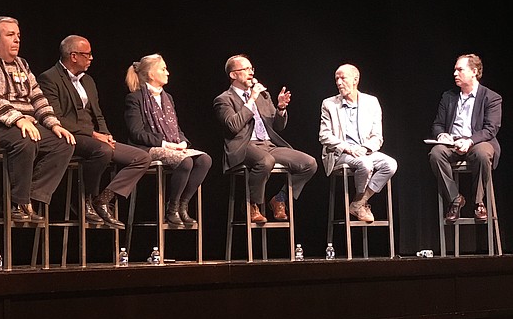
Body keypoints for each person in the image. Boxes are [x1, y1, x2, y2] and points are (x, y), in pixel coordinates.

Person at [0, 16, 75, 222]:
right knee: (25, 141)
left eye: (18, 36)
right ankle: (14, 202)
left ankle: (30, 196)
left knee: (63, 143)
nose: (17, 40)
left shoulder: (22, 64)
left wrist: (53, 123)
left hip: (24, 122)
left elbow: (38, 97)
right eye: (10, 35)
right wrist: (18, 119)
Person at [37, 35, 151, 229]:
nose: (91, 59)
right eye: (87, 55)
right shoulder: (49, 78)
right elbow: (55, 118)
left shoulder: (88, 81)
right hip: (68, 136)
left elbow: (98, 115)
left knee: (141, 158)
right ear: (73, 56)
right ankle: (85, 200)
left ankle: (103, 199)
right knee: (102, 151)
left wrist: (107, 135)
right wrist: (93, 134)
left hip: (94, 137)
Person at [213, 54, 317, 222]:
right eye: (245, 69)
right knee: (265, 161)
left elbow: (278, 126)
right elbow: (233, 126)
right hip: (244, 146)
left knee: (309, 163)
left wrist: (281, 108)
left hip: (269, 145)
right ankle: (251, 204)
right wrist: (251, 99)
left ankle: (279, 199)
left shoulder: (263, 96)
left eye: (251, 69)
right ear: (233, 75)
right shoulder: (224, 100)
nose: (251, 72)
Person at [123, 54, 212, 225]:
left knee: (204, 160)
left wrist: (183, 141)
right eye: (163, 69)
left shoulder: (167, 98)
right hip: (147, 148)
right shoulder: (135, 98)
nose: (168, 72)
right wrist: (165, 144)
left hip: (170, 146)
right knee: (185, 162)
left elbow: (176, 128)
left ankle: (182, 205)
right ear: (150, 74)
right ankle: (172, 208)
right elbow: (136, 133)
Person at [318, 64, 398, 222]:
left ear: (355, 79)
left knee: (390, 164)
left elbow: (377, 136)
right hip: (340, 153)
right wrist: (348, 148)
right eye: (337, 79)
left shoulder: (371, 102)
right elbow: (324, 135)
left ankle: (359, 202)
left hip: (365, 151)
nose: (339, 82)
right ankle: (360, 204)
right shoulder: (329, 104)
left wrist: (365, 148)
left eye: (343, 78)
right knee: (365, 164)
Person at [429, 54, 502, 222]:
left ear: (474, 71)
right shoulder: (448, 97)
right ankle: (455, 199)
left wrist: (469, 140)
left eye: (460, 70)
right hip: (452, 144)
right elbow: (438, 124)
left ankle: (478, 202)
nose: (455, 73)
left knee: (483, 153)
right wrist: (442, 135)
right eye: (455, 70)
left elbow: (490, 129)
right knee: (436, 153)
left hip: (477, 142)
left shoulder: (491, 97)